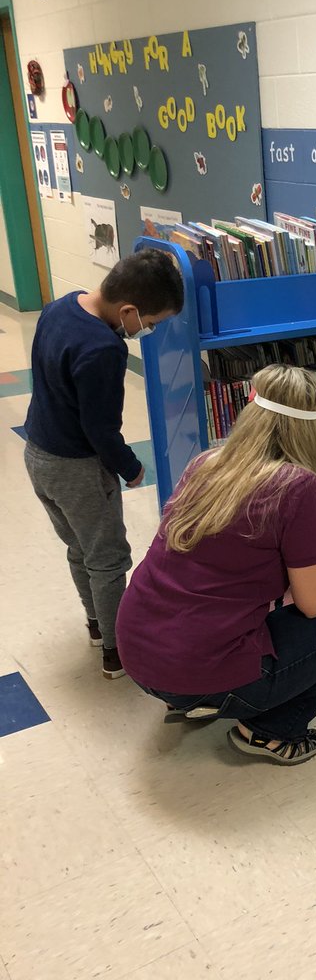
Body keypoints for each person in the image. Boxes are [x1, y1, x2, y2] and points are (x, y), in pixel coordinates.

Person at [117, 365, 316, 767]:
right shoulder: (298, 487)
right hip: (194, 671)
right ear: (315, 427)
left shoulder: (206, 463)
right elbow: (313, 603)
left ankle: (194, 699)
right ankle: (270, 730)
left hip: (138, 652)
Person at [23, 249, 184, 679]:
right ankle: (118, 652)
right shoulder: (104, 349)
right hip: (77, 469)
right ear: (128, 311)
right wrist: (130, 467)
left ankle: (97, 624)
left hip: (38, 455)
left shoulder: (60, 306)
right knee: (109, 559)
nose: (148, 330)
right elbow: (100, 429)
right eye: (150, 323)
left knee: (81, 548)